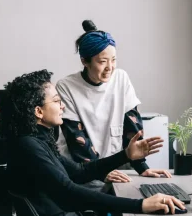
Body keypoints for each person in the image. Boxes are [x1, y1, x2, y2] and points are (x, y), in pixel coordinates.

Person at [2, 69, 185, 215]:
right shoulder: (28, 146)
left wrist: (126, 155)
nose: (63, 106)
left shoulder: (38, 141)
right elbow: (68, 194)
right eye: (57, 101)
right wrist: (141, 205)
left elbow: (80, 172)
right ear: (38, 112)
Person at [56, 20, 171, 187]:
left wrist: (142, 167)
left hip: (115, 168)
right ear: (84, 61)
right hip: (82, 171)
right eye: (102, 61)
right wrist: (100, 172)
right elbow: (77, 139)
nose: (110, 67)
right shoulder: (67, 87)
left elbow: (132, 126)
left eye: (113, 60)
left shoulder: (121, 78)